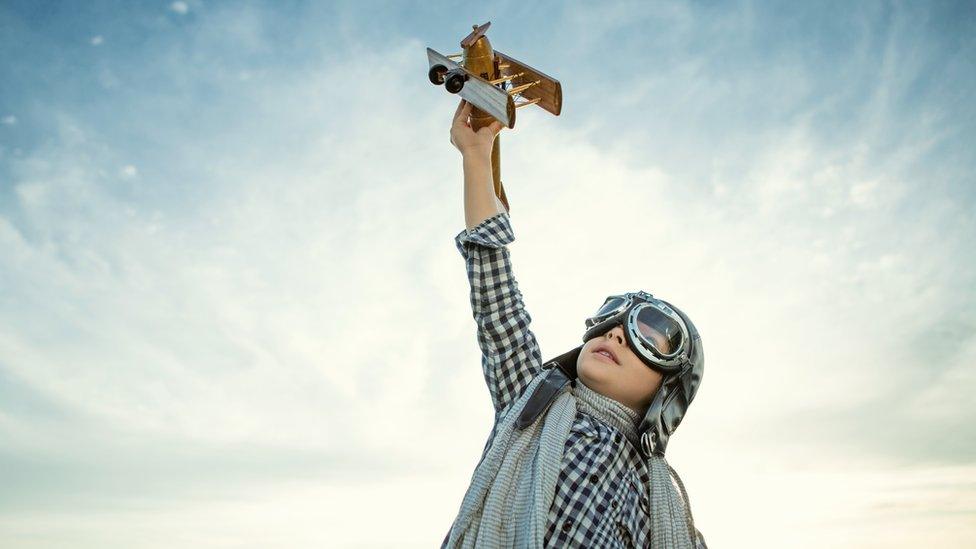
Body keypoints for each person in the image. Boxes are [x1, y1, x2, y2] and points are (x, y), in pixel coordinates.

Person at [441, 99, 707, 549]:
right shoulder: (530, 403)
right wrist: (476, 156)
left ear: (669, 392)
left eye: (650, 336)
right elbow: (498, 302)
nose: (615, 332)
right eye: (609, 321)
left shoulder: (657, 502)